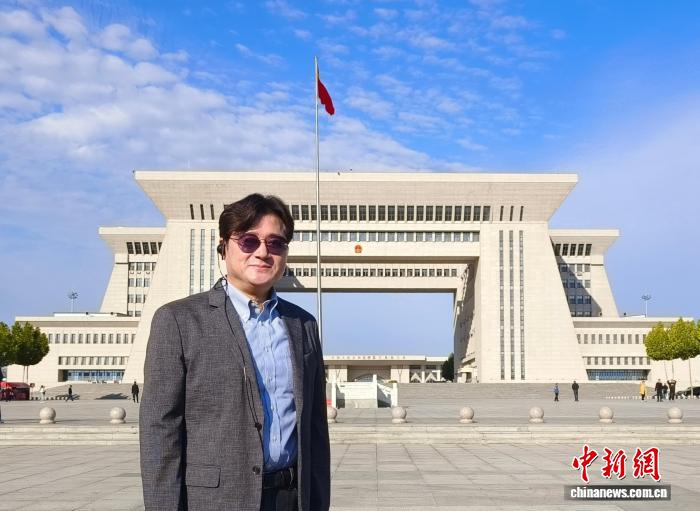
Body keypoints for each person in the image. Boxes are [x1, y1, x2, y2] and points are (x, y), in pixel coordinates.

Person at [140, 194, 330, 511]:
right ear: (224, 246)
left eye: (276, 243)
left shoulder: (303, 325)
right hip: (216, 500)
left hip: (290, 498)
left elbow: (315, 430)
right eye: (248, 241)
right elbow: (160, 430)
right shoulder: (179, 321)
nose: (263, 252)